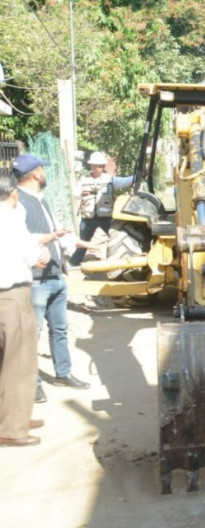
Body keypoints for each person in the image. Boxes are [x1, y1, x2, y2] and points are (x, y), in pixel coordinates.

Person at [13, 154, 92, 401]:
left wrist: (90, 245)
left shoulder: (40, 201)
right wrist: (48, 239)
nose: (45, 173)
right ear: (36, 173)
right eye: (42, 169)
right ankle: (32, 383)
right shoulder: (16, 203)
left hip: (55, 275)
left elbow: (60, 234)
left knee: (59, 329)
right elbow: (17, 239)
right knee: (30, 335)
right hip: (35, 279)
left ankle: (63, 373)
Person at [0, 172, 49, 447]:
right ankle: (12, 428)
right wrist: (40, 256)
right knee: (19, 363)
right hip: (12, 295)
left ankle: (12, 416)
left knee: (5, 362)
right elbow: (35, 256)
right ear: (14, 195)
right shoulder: (9, 218)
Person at [68, 151, 134, 266]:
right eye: (96, 166)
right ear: (91, 166)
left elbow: (124, 182)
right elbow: (75, 193)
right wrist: (81, 194)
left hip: (105, 217)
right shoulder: (84, 179)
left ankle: (116, 259)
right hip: (88, 217)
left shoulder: (109, 179)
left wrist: (137, 176)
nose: (98, 168)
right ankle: (75, 262)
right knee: (83, 241)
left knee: (115, 236)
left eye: (100, 166)